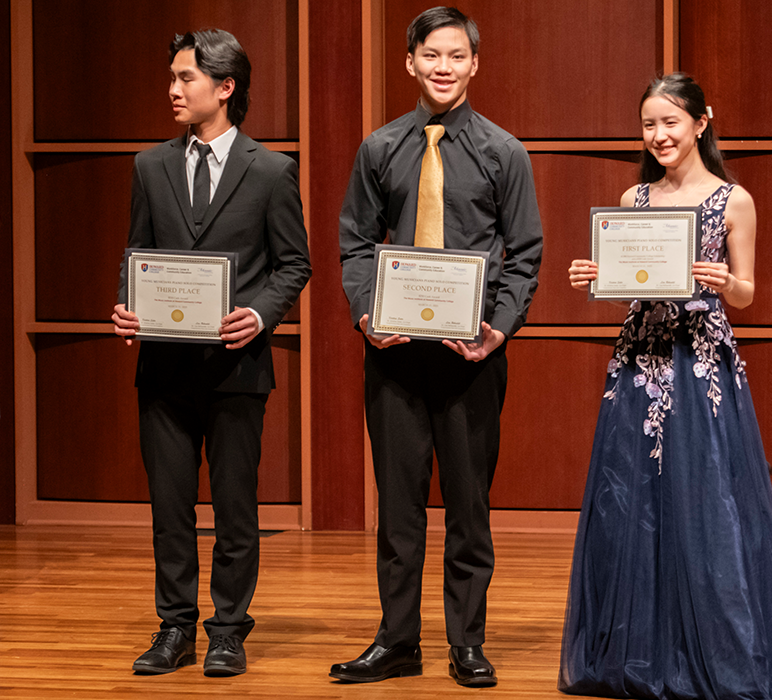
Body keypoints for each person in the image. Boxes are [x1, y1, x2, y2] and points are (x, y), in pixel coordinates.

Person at [560, 74, 772, 699]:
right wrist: (594, 277)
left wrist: (724, 281)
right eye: (649, 124)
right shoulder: (634, 198)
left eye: (671, 122)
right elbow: (628, 282)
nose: (659, 135)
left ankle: (715, 653)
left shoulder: (733, 200)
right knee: (634, 499)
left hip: (700, 364)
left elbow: (746, 293)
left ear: (701, 123)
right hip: (640, 362)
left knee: (705, 499)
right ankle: (638, 654)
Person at [332, 6, 543, 688]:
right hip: (394, 356)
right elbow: (355, 243)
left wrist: (498, 329)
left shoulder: (504, 152)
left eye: (456, 55)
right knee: (398, 511)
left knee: (468, 509)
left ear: (474, 64)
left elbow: (526, 252)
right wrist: (366, 314)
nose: (443, 67)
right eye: (431, 55)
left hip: (470, 357)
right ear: (410, 63)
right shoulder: (379, 148)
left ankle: (467, 643)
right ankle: (397, 641)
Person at [110, 29, 311, 678]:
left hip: (236, 368)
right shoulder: (150, 165)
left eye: (185, 78)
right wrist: (127, 304)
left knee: (234, 509)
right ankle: (174, 627)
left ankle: (227, 630)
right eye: (172, 77)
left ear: (225, 87)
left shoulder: (272, 170)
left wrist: (260, 313)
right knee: (169, 510)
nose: (172, 89)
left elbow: (294, 264)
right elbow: (137, 253)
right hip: (163, 368)